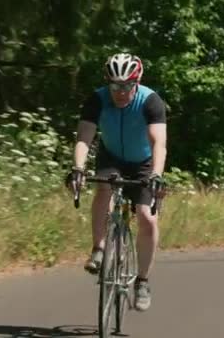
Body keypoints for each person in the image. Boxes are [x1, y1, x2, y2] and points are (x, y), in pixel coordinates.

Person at [65, 53, 167, 312]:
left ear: (136, 82)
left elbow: (159, 143)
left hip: (144, 163)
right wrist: (78, 167)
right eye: (114, 86)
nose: (120, 92)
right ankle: (98, 248)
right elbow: (84, 138)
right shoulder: (97, 100)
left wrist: (155, 174)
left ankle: (142, 282)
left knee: (147, 217)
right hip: (111, 156)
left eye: (126, 86)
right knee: (103, 189)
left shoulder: (150, 101)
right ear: (107, 83)